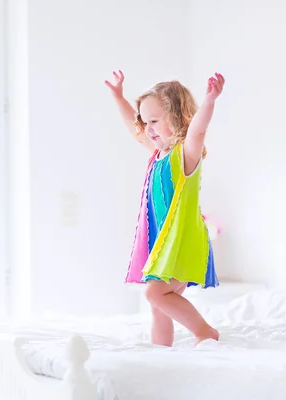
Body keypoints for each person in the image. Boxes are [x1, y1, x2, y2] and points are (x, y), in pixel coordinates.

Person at [105, 70, 225, 346]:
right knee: (158, 306)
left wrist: (209, 101)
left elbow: (198, 129)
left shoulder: (185, 154)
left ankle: (205, 332)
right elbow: (133, 128)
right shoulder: (158, 155)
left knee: (155, 294)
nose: (148, 129)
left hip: (183, 240)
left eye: (155, 121)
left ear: (177, 118)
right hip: (166, 240)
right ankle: (161, 355)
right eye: (145, 121)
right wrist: (118, 97)